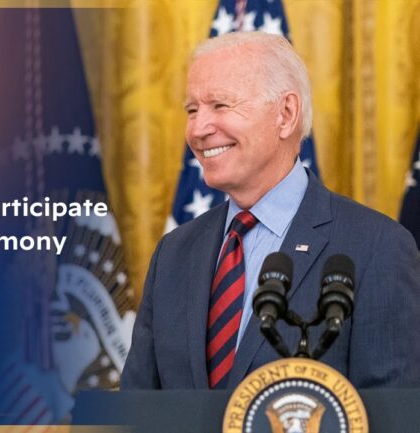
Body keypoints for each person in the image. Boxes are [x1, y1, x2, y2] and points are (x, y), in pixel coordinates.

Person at [120, 31, 420, 390]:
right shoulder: (173, 252)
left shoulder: (377, 248)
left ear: (286, 114)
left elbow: (394, 415)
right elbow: (136, 410)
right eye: (192, 110)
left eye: (220, 105)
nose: (198, 129)